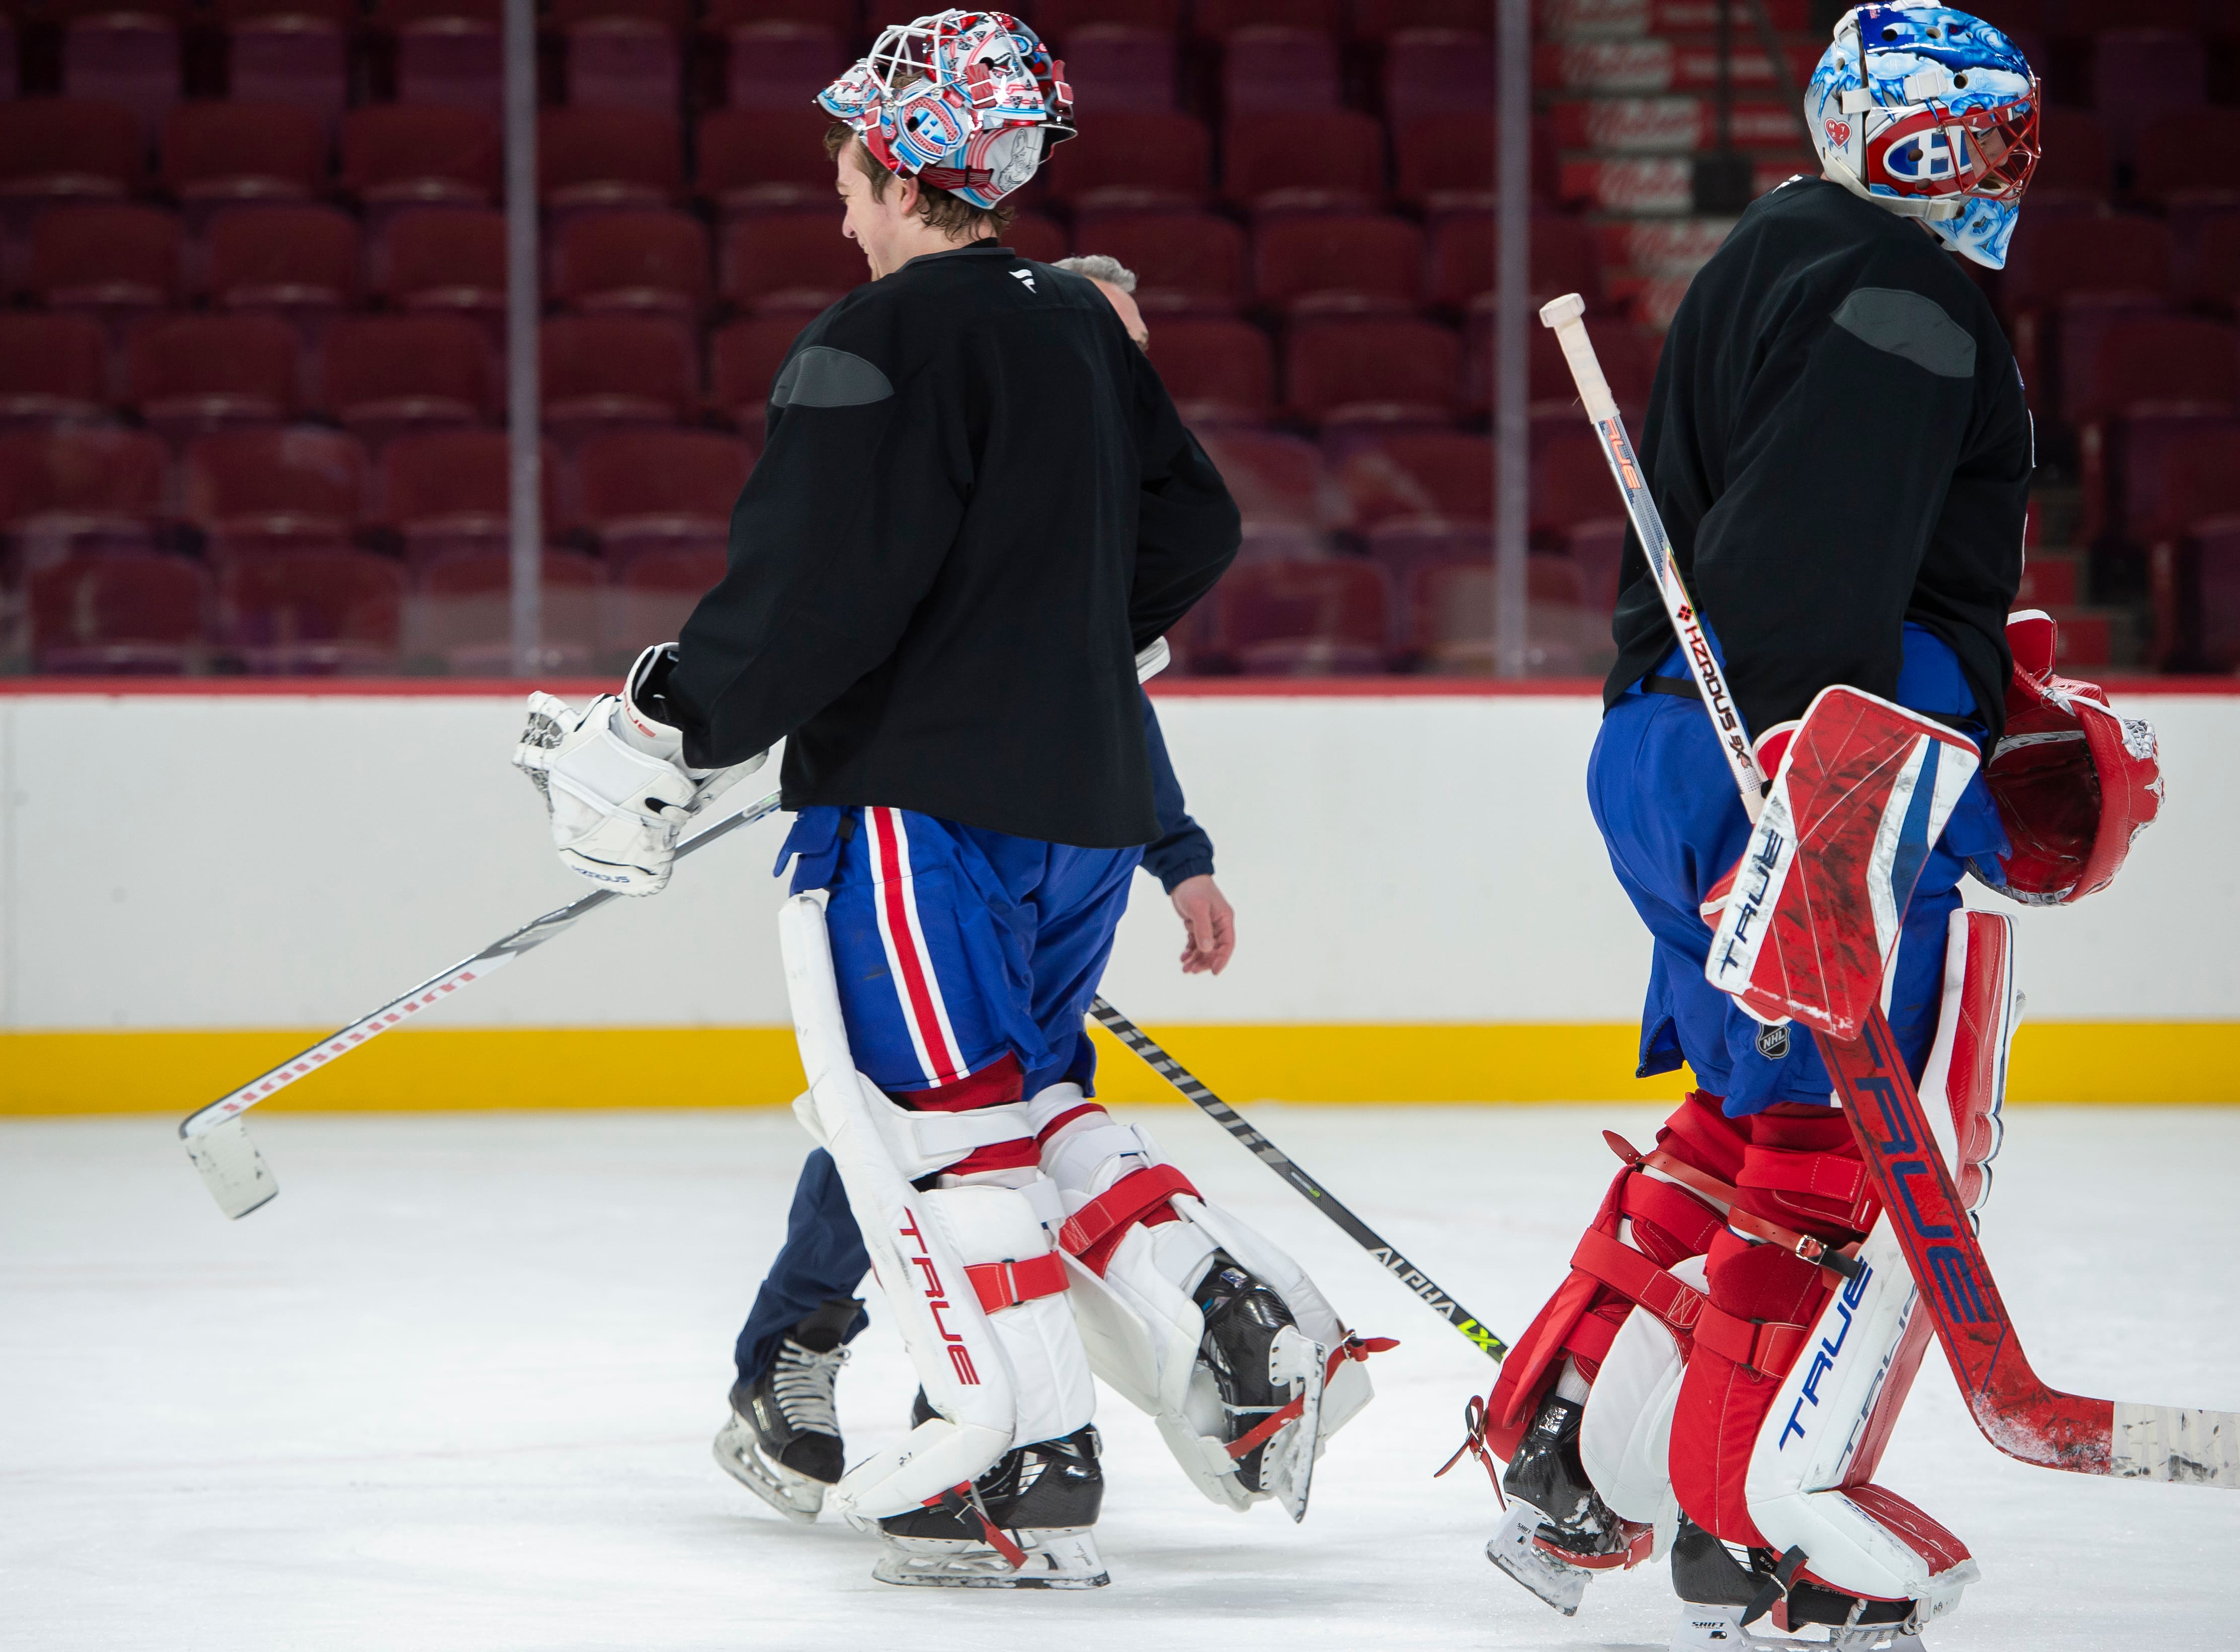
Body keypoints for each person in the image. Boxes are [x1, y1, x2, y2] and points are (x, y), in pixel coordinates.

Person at [513, 12, 1375, 1591]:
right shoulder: (1072, 324)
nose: (840, 208)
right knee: (1029, 1108)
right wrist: (1055, 633)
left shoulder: (875, 342)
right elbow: (1195, 529)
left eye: (849, 172)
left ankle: (1023, 1460)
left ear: (905, 171)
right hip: (1090, 822)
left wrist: (663, 729)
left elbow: (803, 604)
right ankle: (1213, 1321)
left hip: (926, 815)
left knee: (940, 1135)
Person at [1452, 8, 2156, 1648]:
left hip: (1679, 747)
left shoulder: (1779, 245)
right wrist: (1815, 806)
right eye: (1961, 138)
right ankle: (1763, 1531)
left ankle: (1581, 1453)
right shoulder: (1911, 294)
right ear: (1886, 138)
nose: (1992, 171)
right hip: (1804, 755)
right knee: (1856, 1151)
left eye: (2008, 137)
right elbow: (1809, 555)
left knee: (1753, 1120)